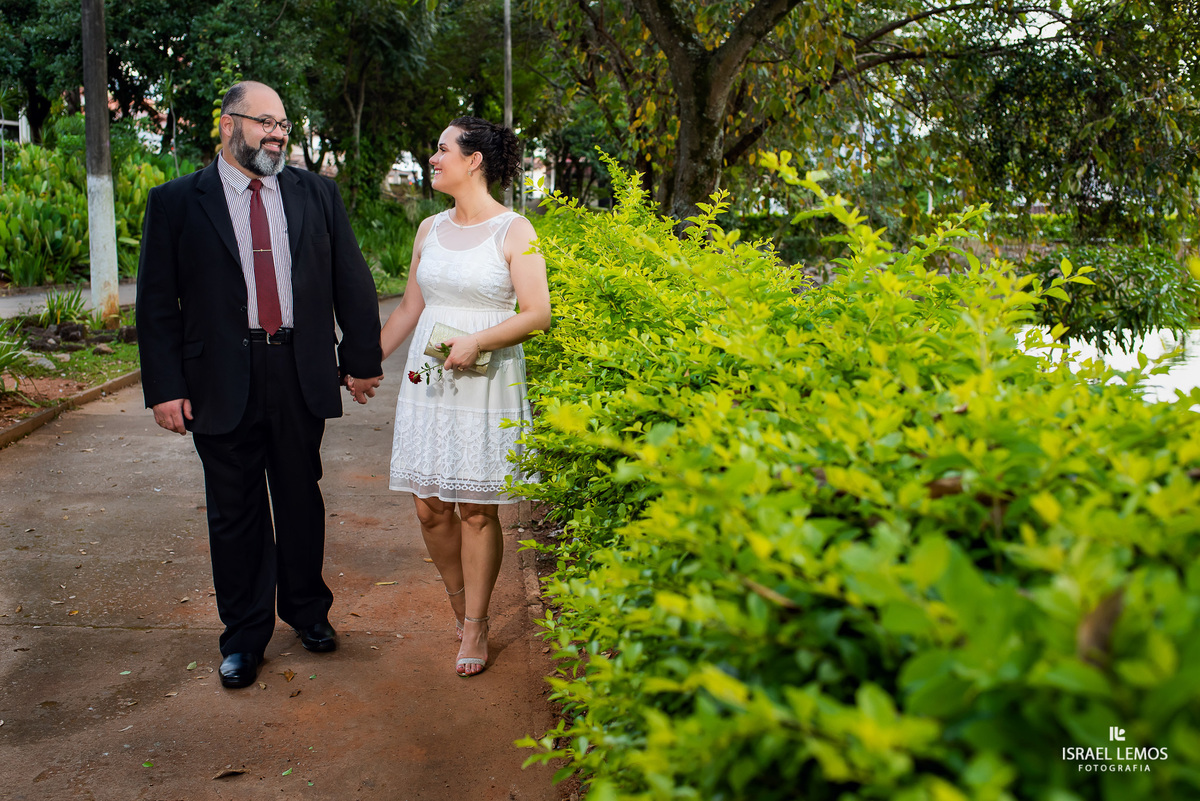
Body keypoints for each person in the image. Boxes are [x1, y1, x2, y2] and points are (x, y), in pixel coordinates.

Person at [136, 80, 385, 690]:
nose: (277, 133)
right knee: (235, 511)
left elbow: (349, 281)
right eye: (264, 122)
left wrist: (361, 359)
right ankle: (244, 638)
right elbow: (155, 305)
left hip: (298, 367)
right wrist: (165, 387)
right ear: (227, 125)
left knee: (301, 498)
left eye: (282, 124)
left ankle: (308, 614)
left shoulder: (316, 194)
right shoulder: (175, 202)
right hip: (219, 375)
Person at [353, 117, 549, 677]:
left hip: (485, 380)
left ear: (474, 160)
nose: (431, 158)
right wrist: (366, 365)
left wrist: (478, 340)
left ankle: (476, 625)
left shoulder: (515, 230)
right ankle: (460, 604)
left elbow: (538, 312)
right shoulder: (429, 229)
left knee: (476, 511)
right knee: (428, 505)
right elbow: (411, 309)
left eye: (441, 149)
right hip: (429, 383)